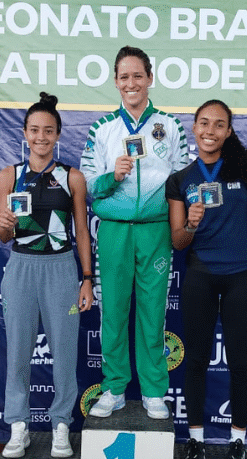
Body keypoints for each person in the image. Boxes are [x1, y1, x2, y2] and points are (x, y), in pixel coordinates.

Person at [80, 46, 190, 420]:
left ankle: (154, 391)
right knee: (112, 311)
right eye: (124, 77)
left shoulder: (169, 126)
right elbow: (89, 185)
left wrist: (183, 221)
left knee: (153, 313)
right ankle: (114, 388)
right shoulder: (102, 128)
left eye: (137, 76)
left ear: (150, 78)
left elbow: (183, 179)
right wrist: (112, 176)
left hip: (156, 231)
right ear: (116, 81)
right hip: (114, 231)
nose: (131, 83)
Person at [167, 99, 247, 459]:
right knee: (196, 360)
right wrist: (191, 224)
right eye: (204, 123)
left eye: (218, 124)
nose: (210, 131)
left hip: (242, 277)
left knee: (240, 362)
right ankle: (195, 442)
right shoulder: (180, 179)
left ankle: (237, 445)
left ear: (228, 131)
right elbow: (178, 241)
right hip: (200, 277)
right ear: (194, 128)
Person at [0, 93, 94, 459]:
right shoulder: (8, 175)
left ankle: (61, 425)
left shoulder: (72, 177)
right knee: (18, 351)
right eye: (35, 130)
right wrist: (4, 223)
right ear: (25, 133)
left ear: (57, 135)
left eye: (48, 131)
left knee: (64, 352)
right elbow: (3, 235)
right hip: (21, 267)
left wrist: (87, 278)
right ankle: (18, 426)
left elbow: (81, 232)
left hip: (61, 269)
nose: (41, 137)